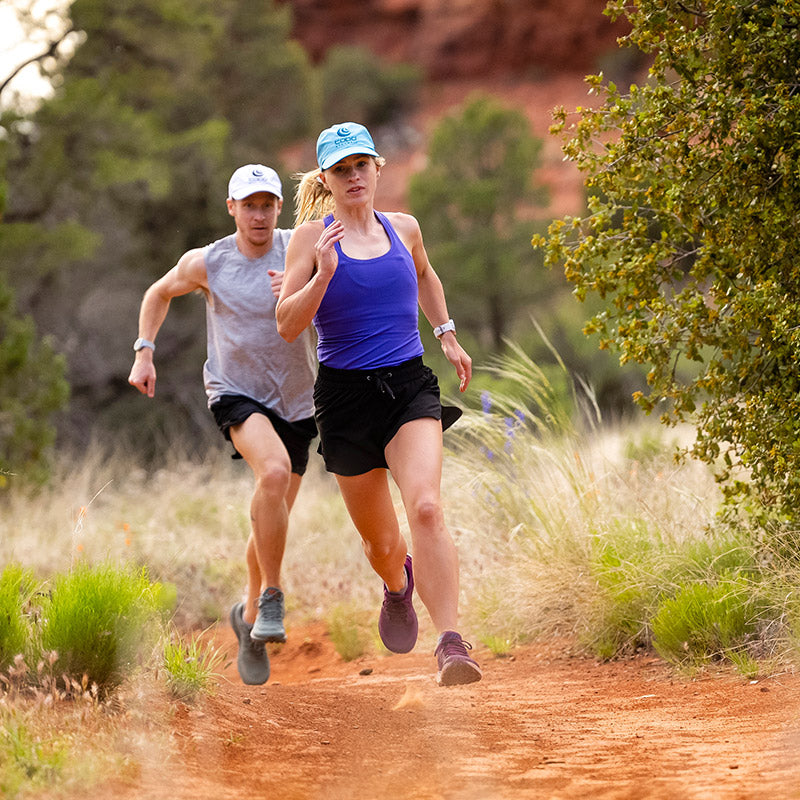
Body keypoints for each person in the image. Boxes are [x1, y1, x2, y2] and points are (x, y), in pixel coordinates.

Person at [276, 122, 481, 686]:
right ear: (326, 180)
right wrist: (322, 275)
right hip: (345, 400)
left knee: (427, 508)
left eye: (361, 165)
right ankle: (397, 586)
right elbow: (287, 325)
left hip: (409, 387)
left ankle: (451, 643)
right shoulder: (308, 241)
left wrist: (446, 333)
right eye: (341, 170)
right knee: (384, 544)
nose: (353, 177)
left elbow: (424, 275)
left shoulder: (406, 228)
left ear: (377, 168)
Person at [128, 164, 317, 686]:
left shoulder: (299, 247)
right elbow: (157, 293)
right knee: (273, 474)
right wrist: (145, 353)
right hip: (235, 393)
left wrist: (305, 284)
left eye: (268, 204)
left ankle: (250, 616)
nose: (259, 214)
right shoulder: (209, 261)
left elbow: (337, 293)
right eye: (249, 204)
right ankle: (273, 598)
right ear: (231, 208)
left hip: (298, 401)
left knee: (272, 513)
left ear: (281, 207)